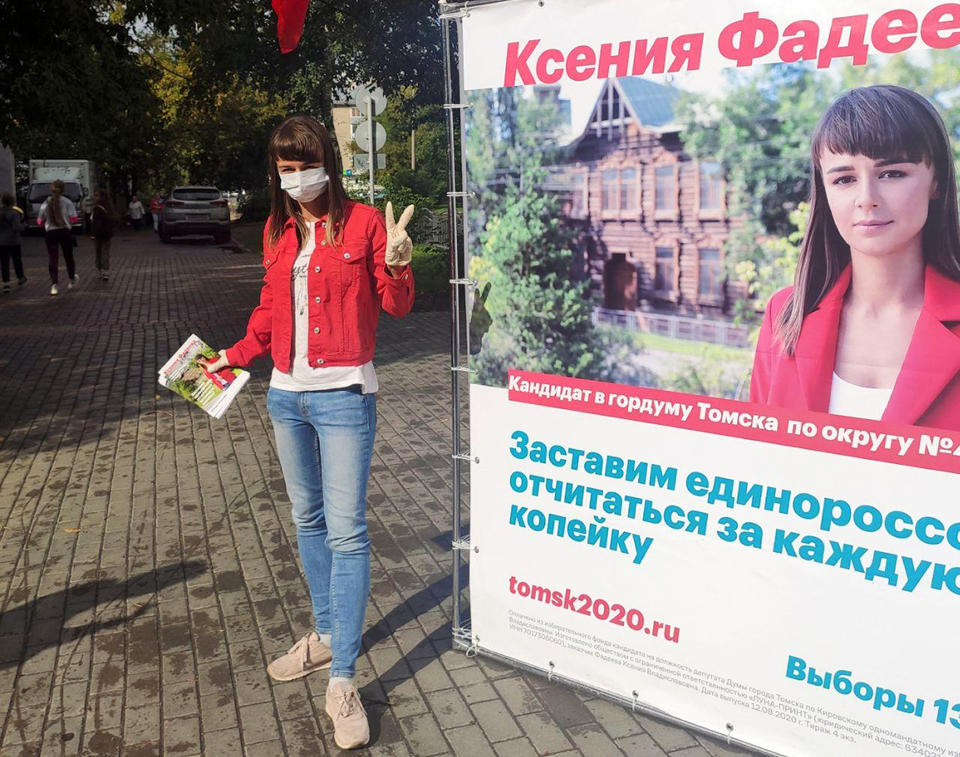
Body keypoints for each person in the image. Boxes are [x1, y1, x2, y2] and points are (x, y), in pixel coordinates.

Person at [199, 114, 415, 749]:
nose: (298, 178)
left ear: (330, 161)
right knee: (307, 520)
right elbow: (270, 311)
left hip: (345, 395)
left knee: (348, 532)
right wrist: (232, 356)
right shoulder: (275, 228)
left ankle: (343, 678)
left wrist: (399, 266)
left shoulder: (367, 224)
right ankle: (323, 636)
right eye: (286, 169)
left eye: (307, 164)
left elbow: (396, 305)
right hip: (287, 396)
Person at [751, 85, 960, 431]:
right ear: (825, 190)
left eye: (892, 173)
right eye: (844, 179)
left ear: (935, 180)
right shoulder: (784, 313)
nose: (867, 198)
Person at [38, 179, 79, 296]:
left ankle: (54, 285)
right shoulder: (67, 202)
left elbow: (40, 221)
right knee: (68, 257)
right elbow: (74, 219)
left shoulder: (46, 203)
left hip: (50, 233)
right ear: (63, 189)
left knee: (53, 259)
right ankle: (71, 279)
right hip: (65, 231)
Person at [0, 194, 26, 292]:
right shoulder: (14, 213)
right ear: (12, 202)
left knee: (4, 263)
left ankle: (6, 283)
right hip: (14, 241)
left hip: (2, 241)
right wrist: (24, 226)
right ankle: (20, 277)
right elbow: (16, 227)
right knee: (17, 260)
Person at [91, 189, 118, 281]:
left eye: (96, 195)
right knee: (105, 252)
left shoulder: (97, 208)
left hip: (99, 234)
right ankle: (105, 271)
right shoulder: (108, 207)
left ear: (101, 197)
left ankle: (99, 271)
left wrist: (94, 234)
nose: (93, 197)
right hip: (107, 234)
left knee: (98, 252)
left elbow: (96, 223)